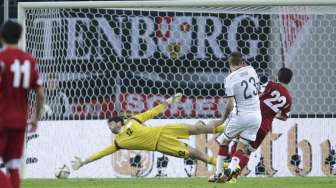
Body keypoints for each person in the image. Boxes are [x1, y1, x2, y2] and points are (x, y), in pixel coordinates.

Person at [71, 93, 224, 171]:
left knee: (198, 128)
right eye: (108, 125)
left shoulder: (133, 120)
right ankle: (221, 165)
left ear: (118, 122)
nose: (109, 126)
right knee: (196, 154)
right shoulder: (119, 142)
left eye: (110, 123)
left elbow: (152, 112)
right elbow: (102, 153)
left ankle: (228, 127)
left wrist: (169, 101)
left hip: (164, 130)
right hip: (162, 145)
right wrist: (84, 162)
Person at [219, 67, 293, 183]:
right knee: (247, 152)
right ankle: (233, 177)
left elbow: (256, 91)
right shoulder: (288, 98)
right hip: (265, 126)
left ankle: (226, 172)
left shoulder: (270, 84)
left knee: (238, 146)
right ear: (289, 80)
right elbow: (284, 117)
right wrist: (273, 114)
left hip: (252, 118)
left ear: (278, 76)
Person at [0, 20, 44, 188]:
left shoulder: (2, 59)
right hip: (20, 121)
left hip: (2, 119)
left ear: (1, 36)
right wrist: (35, 118)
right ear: (19, 37)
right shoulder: (29, 60)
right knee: (13, 166)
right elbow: (40, 94)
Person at [207, 52, 261, 182]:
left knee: (224, 141)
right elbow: (257, 88)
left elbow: (230, 104)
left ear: (229, 64)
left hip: (241, 115)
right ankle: (231, 167)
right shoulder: (251, 70)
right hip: (256, 117)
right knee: (241, 146)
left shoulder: (230, 79)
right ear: (243, 62)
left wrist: (222, 119)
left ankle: (219, 173)